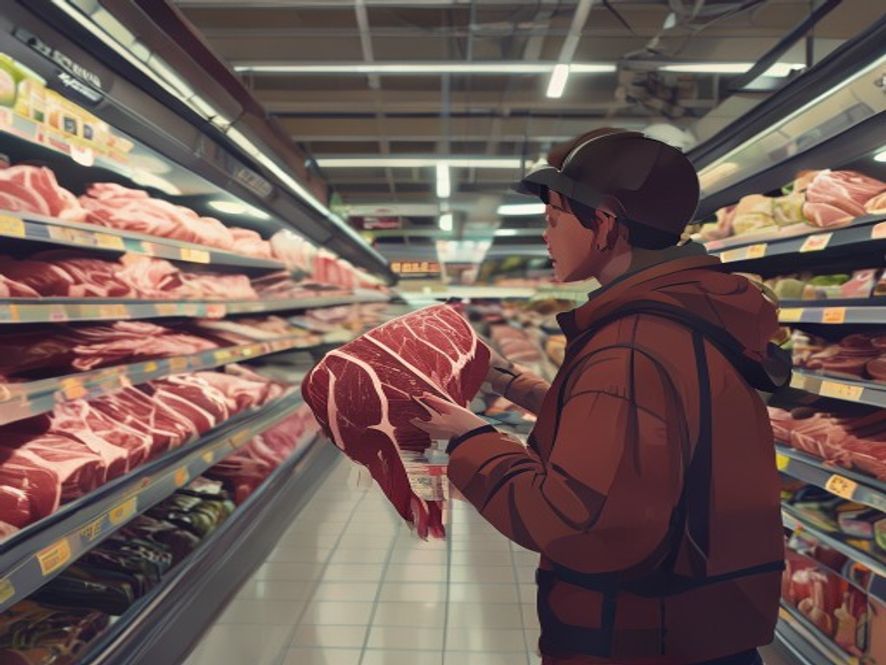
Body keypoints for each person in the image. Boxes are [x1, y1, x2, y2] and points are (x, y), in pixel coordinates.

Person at [412, 128, 790, 665]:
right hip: (700, 619)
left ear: (606, 225)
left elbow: (575, 523)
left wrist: (469, 439)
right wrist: (508, 381)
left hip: (645, 633)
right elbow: (640, 435)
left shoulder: (632, 345)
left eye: (554, 220)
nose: (546, 236)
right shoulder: (684, 314)